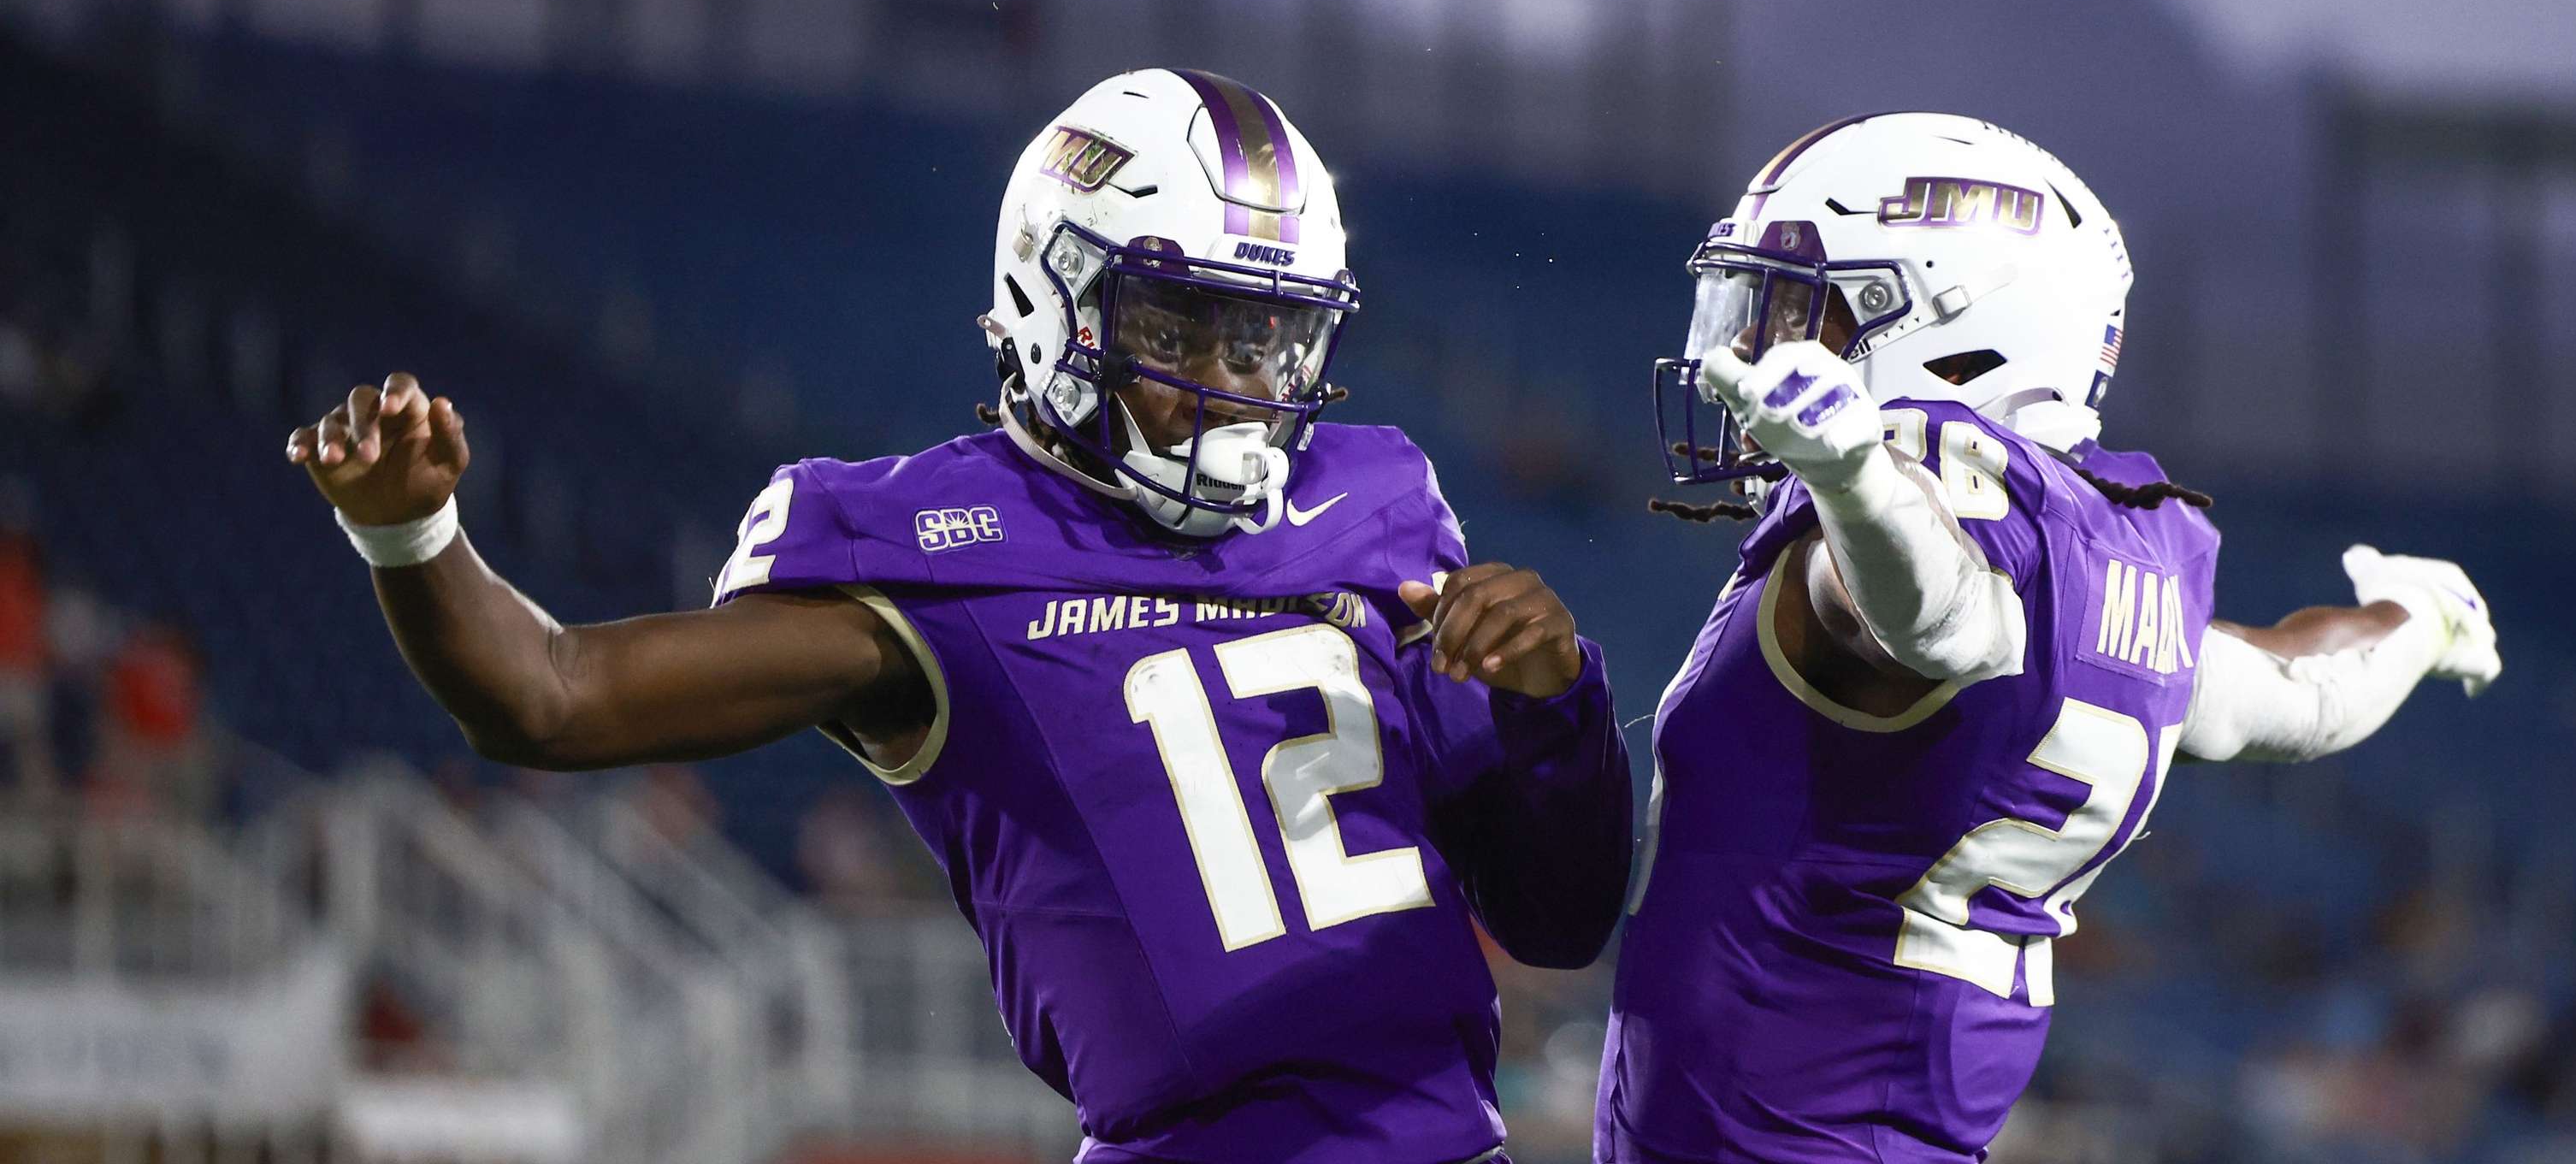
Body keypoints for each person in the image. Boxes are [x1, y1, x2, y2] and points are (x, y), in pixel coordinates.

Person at [291, 68, 1633, 1164]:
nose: (1231, 387)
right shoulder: (939, 552)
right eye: (1183, 331)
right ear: (1059, 301)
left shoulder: (1376, 502)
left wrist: (1554, 702)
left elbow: (1562, 916)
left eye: (1266, 340)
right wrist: (413, 533)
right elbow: (547, 697)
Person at [1601, 113, 2502, 1161]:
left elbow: (1947, 621)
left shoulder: (1908, 525)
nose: (1752, 350)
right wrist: (2416, 618)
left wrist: (1856, 477)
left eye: (1809, 311)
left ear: (1951, 320)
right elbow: (2296, 697)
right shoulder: (2115, 555)